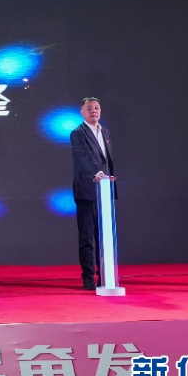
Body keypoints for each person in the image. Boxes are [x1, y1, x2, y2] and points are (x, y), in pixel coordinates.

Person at [69, 97, 114, 291]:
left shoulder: (105, 132)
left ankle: (104, 274)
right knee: (87, 236)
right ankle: (88, 276)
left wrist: (107, 180)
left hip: (104, 190)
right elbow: (84, 157)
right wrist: (98, 173)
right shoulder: (77, 133)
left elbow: (107, 161)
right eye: (89, 108)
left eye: (96, 108)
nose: (93, 111)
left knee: (104, 236)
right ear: (82, 112)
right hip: (87, 189)